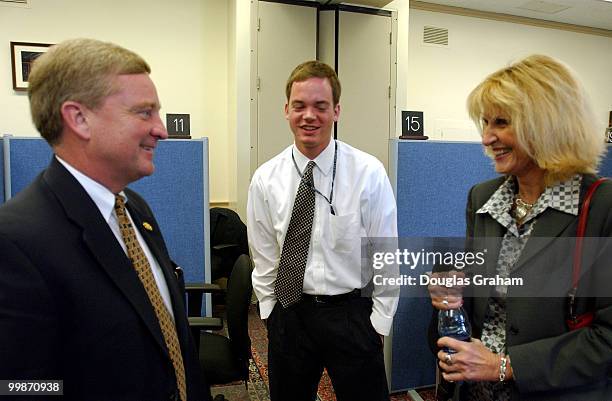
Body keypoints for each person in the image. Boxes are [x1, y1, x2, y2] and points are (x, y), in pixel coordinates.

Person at [0, 38, 211, 401]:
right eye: (144, 112)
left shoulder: (136, 211)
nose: (161, 129)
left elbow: (171, 343)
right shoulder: (16, 242)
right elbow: (19, 387)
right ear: (79, 118)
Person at [428, 54, 612, 400]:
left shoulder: (603, 208)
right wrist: (451, 299)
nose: (486, 138)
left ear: (547, 124)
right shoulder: (484, 199)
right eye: (484, 123)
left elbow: (607, 339)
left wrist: (505, 365)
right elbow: (482, 307)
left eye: (501, 122)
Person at [247, 60, 399, 401]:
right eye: (299, 106)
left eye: (320, 106)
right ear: (286, 110)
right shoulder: (265, 179)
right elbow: (264, 256)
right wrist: (271, 314)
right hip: (291, 314)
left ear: (336, 111)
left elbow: (386, 255)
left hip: (352, 314)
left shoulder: (368, 173)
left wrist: (379, 323)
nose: (309, 116)